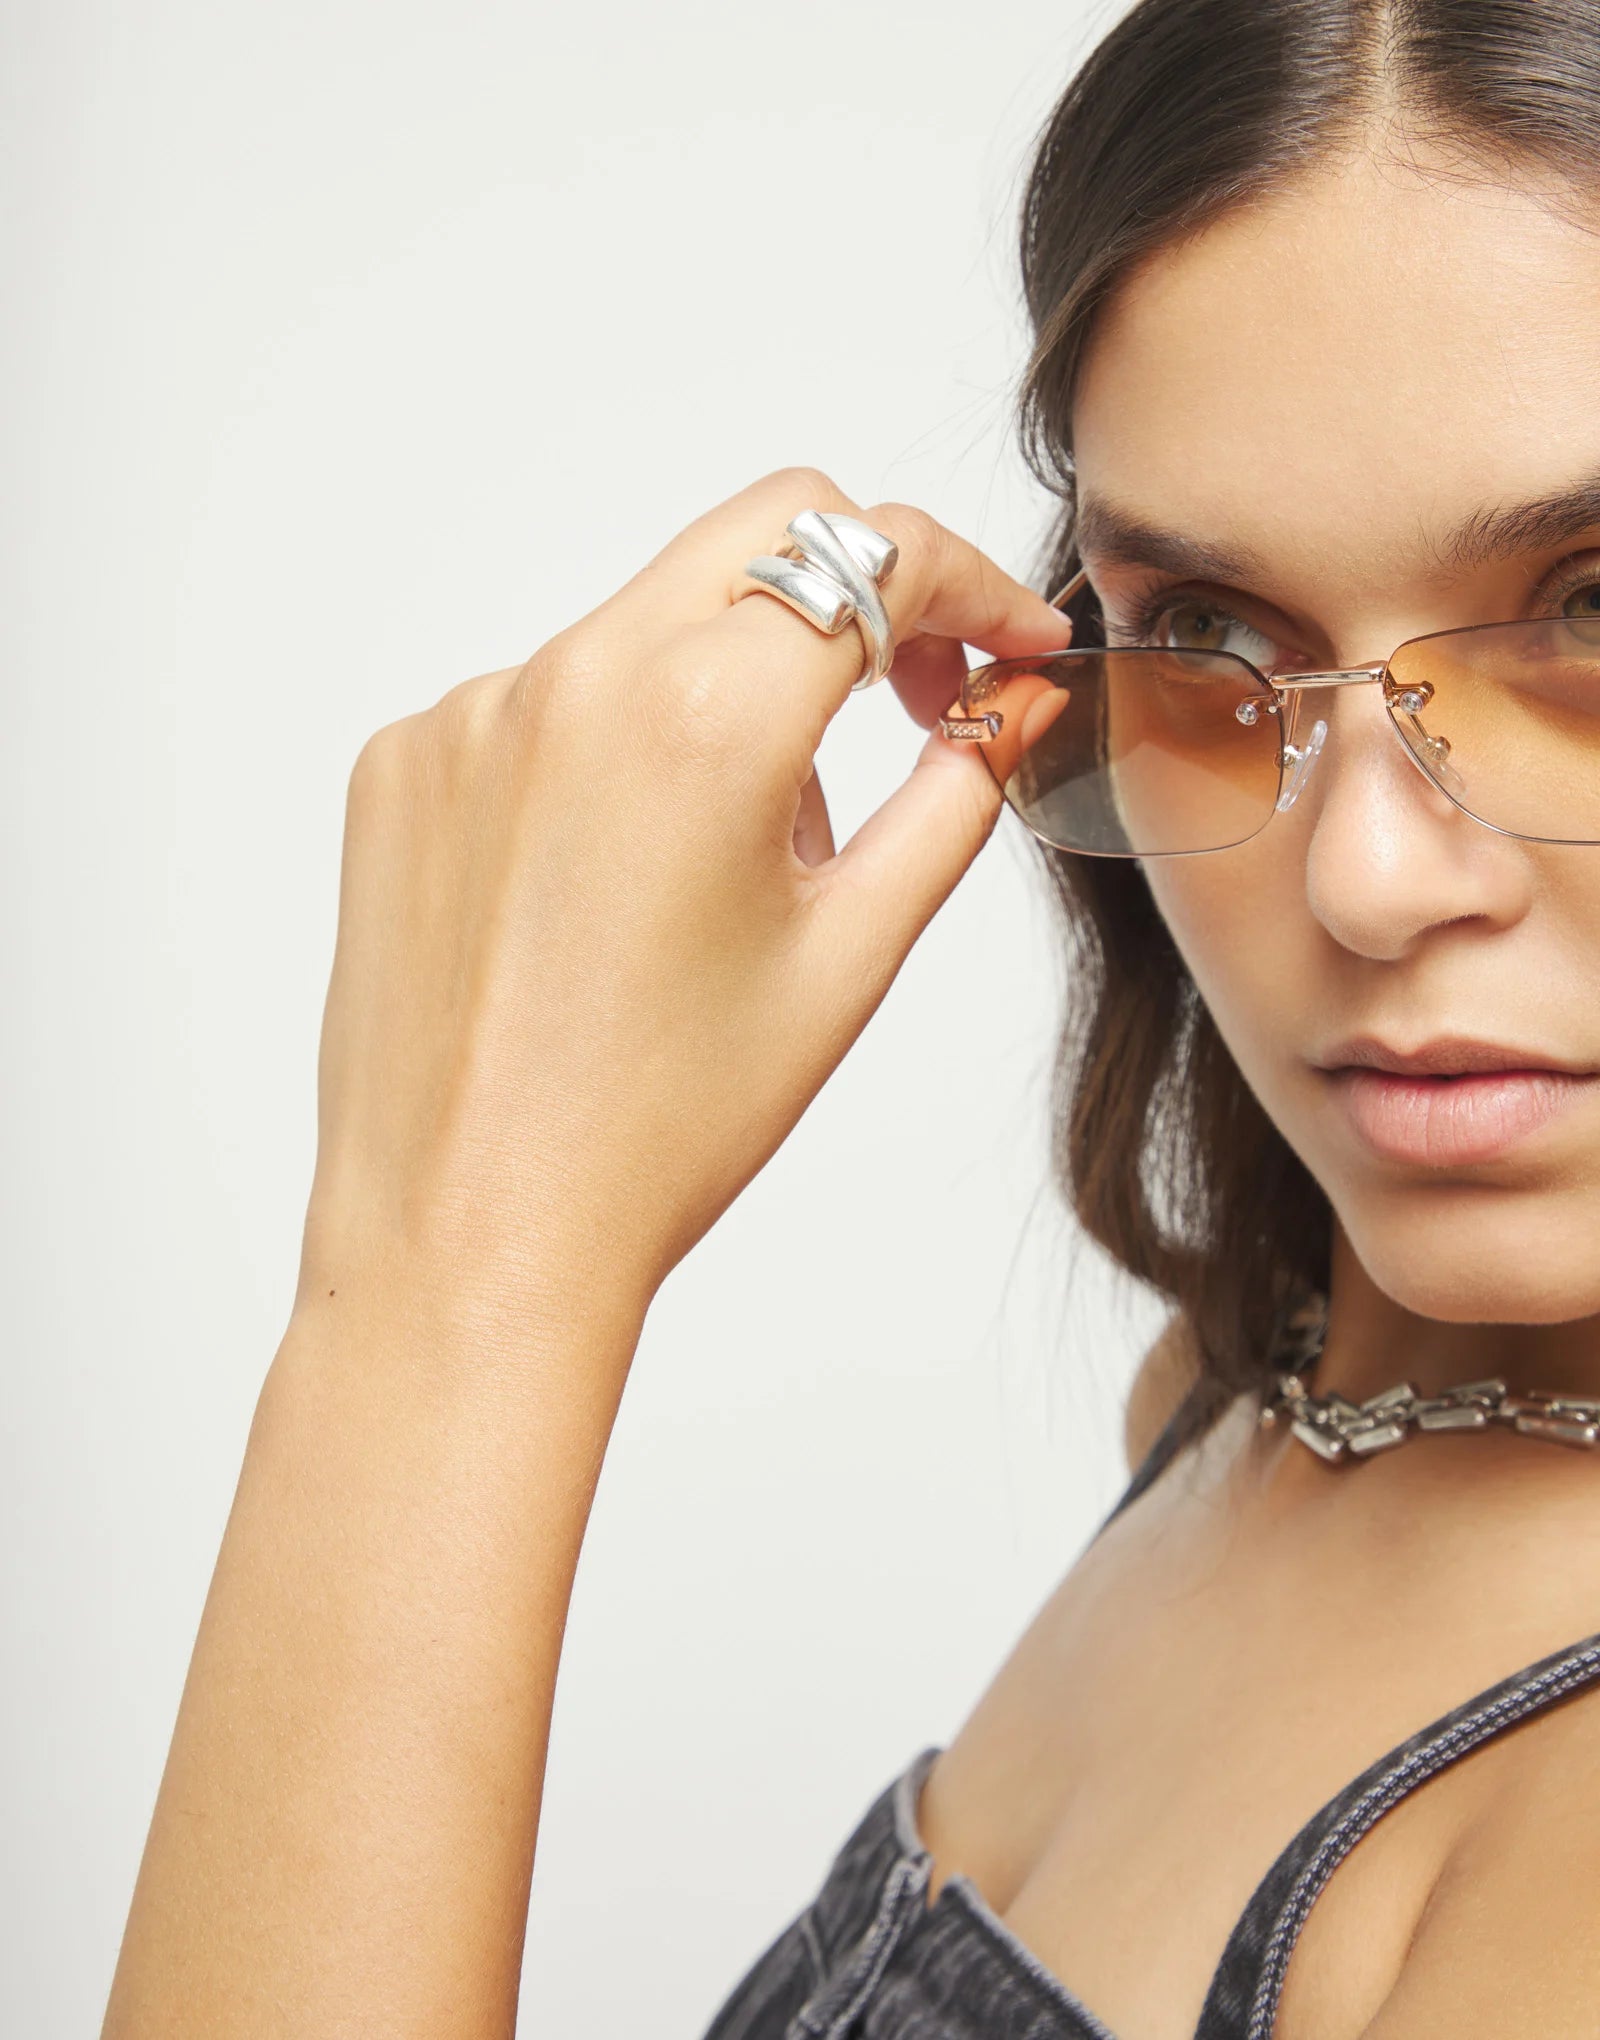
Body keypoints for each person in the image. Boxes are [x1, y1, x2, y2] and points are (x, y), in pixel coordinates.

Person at [101, 0, 1600, 2033]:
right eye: (1204, 631)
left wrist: (448, 1293)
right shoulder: (1254, 1400)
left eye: (1588, 608)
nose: (1365, 877)